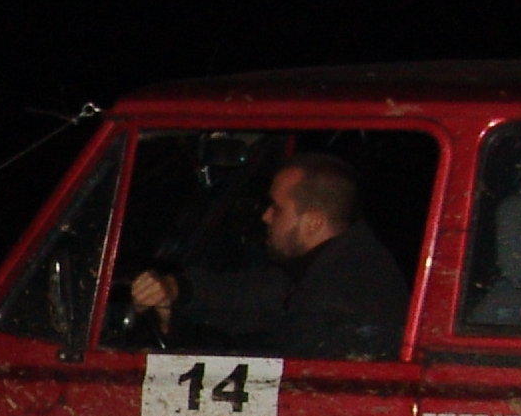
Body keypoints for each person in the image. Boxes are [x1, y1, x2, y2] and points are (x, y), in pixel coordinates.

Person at [128, 150, 408, 360]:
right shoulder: (329, 267)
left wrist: (176, 332)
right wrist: (177, 289)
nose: (265, 216)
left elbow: (270, 357)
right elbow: (256, 294)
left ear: (313, 222)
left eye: (277, 209)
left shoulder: (344, 294)